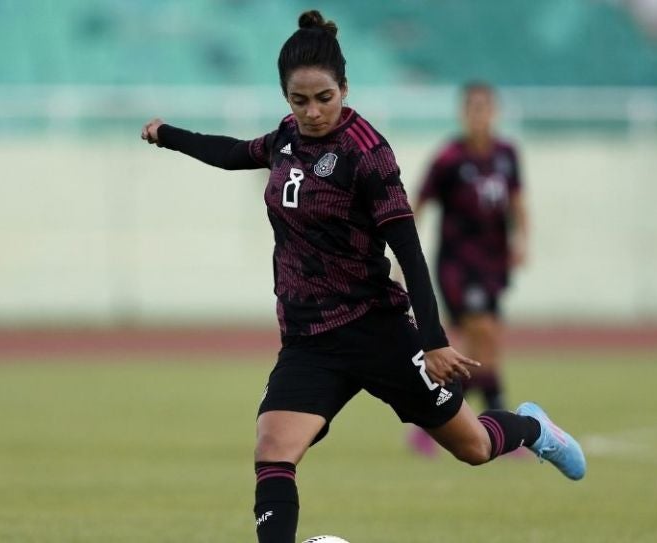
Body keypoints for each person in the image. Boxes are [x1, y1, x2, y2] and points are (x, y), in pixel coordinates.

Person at [141, 11, 584, 543]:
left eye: (324, 98)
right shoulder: (285, 139)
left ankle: (534, 428)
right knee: (273, 447)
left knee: (474, 448)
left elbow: (410, 250)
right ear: (285, 98)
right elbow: (235, 153)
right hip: (309, 338)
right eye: (299, 100)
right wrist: (169, 135)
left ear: (344, 89)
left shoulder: (367, 153)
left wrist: (434, 340)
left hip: (377, 330)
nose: (312, 111)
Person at [407, 82, 529, 456]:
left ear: (494, 112)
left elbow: (516, 200)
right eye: (472, 108)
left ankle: (434, 423)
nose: (479, 115)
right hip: (459, 265)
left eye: (485, 107)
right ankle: (500, 422)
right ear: (464, 114)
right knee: (482, 332)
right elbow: (419, 203)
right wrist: (402, 254)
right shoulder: (449, 158)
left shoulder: (507, 154)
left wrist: (522, 239)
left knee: (485, 345)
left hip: (494, 263)